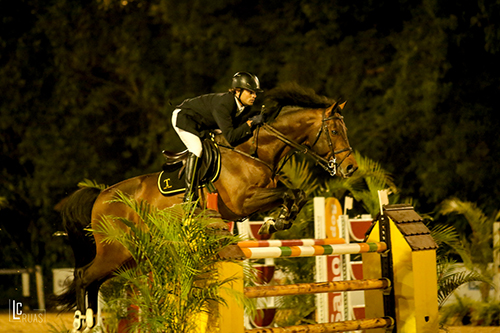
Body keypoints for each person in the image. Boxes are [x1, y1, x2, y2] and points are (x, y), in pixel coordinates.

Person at [172, 71, 265, 202]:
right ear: (237, 91)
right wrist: (250, 123)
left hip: (204, 123)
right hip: (184, 118)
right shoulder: (224, 104)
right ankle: (189, 196)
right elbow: (232, 137)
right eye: (250, 92)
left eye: (255, 93)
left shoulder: (244, 107)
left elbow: (237, 132)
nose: (254, 96)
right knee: (196, 148)